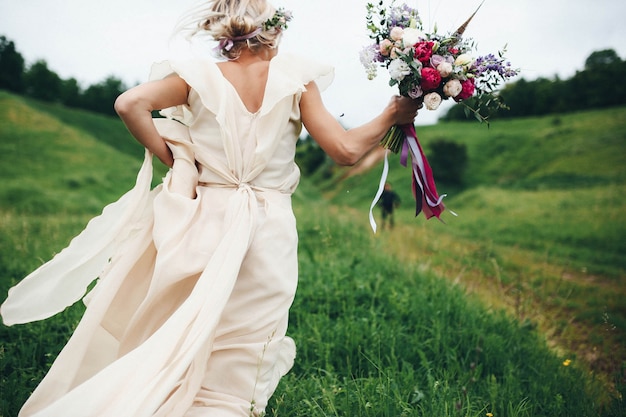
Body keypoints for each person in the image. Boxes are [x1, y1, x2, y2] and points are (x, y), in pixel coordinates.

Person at [0, 1, 422, 416]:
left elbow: (129, 104)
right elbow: (346, 150)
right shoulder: (295, 78)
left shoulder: (197, 77)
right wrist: (391, 112)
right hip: (267, 226)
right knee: (245, 344)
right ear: (272, 28)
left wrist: (175, 156)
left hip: (205, 217)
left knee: (192, 329)